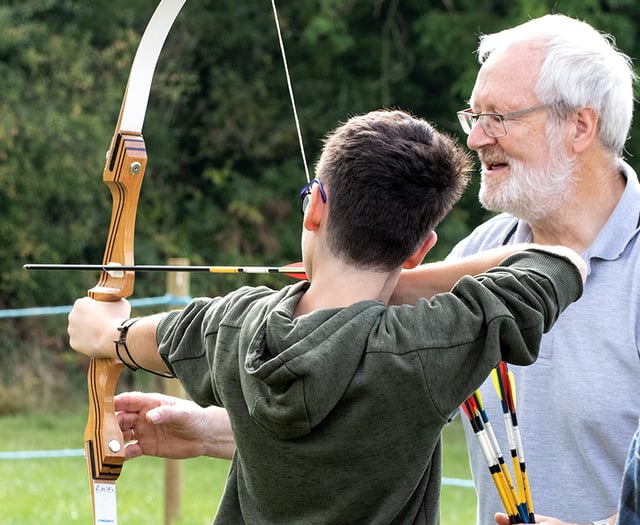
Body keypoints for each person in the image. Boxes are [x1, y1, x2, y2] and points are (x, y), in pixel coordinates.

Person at [68, 109, 586, 524]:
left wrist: (104, 329)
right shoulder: (428, 345)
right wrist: (401, 280)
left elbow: (110, 333)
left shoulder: (233, 325)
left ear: (315, 207)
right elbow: (562, 259)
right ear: (421, 248)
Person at [395, 13, 640, 525]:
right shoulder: (477, 254)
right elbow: (380, 409)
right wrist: (212, 426)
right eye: (474, 116)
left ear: (580, 125)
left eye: (499, 117)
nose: (476, 139)